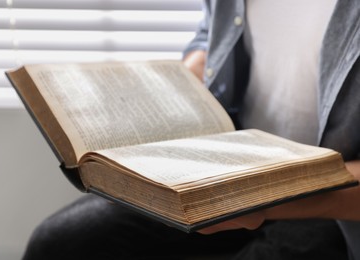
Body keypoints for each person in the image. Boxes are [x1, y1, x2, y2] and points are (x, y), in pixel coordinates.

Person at [22, 1, 360, 259]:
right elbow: (212, 33)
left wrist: (263, 202)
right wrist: (182, 86)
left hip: (333, 202)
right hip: (227, 163)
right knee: (59, 242)